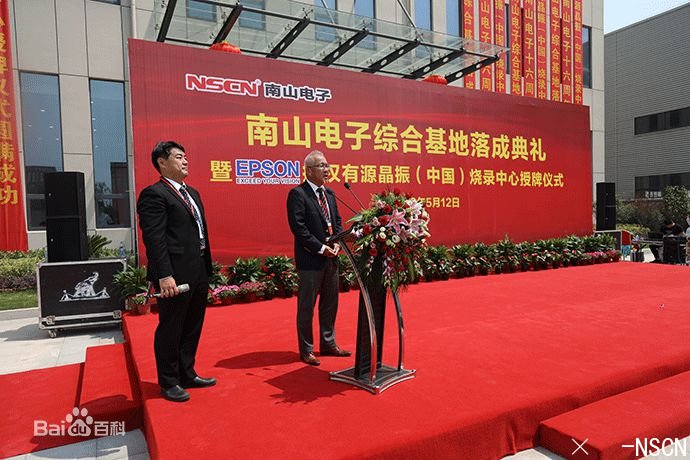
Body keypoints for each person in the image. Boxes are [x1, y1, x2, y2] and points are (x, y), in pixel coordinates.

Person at [137, 141, 216, 402]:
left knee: (193, 324)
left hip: (198, 268)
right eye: (179, 157)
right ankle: (169, 381)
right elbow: (154, 239)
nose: (185, 161)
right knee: (171, 326)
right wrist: (164, 275)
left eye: (185, 156)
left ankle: (187, 373)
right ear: (162, 162)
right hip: (174, 273)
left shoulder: (192, 192)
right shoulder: (154, 194)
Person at [287, 150, 351, 366]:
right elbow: (299, 228)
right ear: (308, 170)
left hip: (331, 258)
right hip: (310, 260)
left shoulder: (330, 194)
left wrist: (337, 242)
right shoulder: (298, 194)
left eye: (327, 165)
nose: (327, 169)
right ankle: (307, 349)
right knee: (307, 307)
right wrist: (321, 248)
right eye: (321, 166)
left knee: (330, 304)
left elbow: (337, 222)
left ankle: (328, 343)